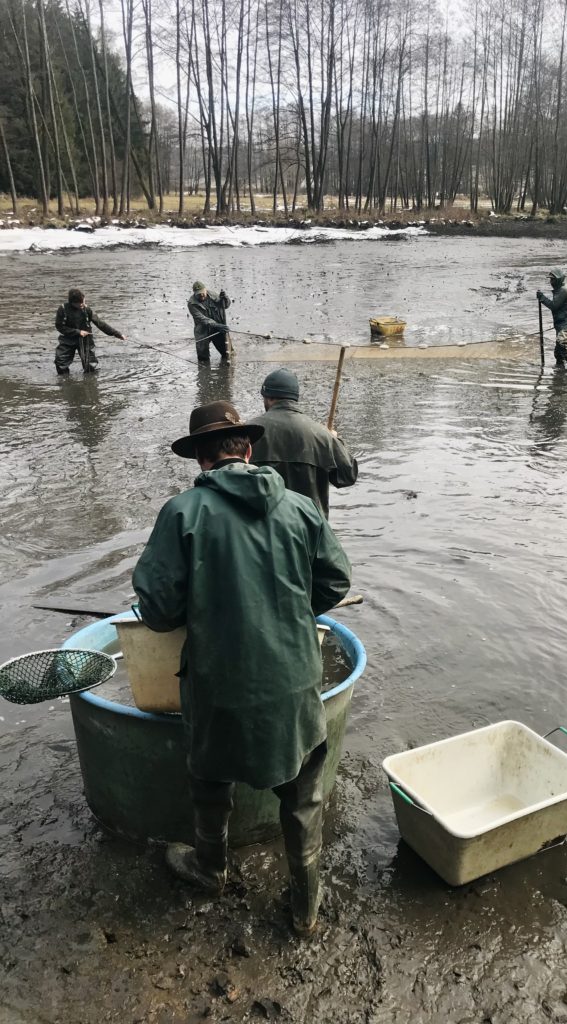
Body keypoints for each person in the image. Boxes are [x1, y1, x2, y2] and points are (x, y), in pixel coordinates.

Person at [132, 401, 351, 936]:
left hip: (218, 682)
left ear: (202, 461)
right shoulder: (301, 508)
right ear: (248, 451)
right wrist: (292, 614)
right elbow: (336, 583)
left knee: (209, 774)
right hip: (297, 679)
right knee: (303, 796)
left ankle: (211, 867)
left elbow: (157, 611)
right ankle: (306, 907)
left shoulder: (181, 513)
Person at [248, 368, 359, 518]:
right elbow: (348, 476)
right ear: (295, 398)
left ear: (267, 397)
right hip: (309, 531)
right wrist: (335, 440)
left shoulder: (247, 433)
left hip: (262, 532)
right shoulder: (321, 435)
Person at [54, 288, 126, 375]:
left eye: (83, 302)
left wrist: (117, 334)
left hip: (86, 340)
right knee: (61, 362)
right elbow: (60, 327)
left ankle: (90, 383)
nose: (82, 305)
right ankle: (64, 382)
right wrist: (77, 332)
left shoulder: (87, 310)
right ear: (72, 303)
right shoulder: (63, 309)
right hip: (68, 339)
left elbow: (101, 324)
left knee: (90, 366)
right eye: (79, 304)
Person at [536, 269, 567, 369]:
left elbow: (554, 306)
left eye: (553, 280)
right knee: (558, 352)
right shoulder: (559, 289)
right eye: (550, 280)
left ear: (559, 280)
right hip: (561, 323)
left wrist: (542, 298)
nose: (551, 282)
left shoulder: (564, 290)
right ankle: (560, 369)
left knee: (562, 345)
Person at [187, 280, 232, 364]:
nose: (201, 295)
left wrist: (226, 298)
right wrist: (217, 325)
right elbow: (201, 319)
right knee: (203, 359)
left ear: (205, 290)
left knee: (227, 353)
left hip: (218, 329)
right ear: (194, 293)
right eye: (198, 294)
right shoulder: (191, 304)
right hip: (202, 331)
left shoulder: (213, 295)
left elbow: (226, 305)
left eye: (202, 292)